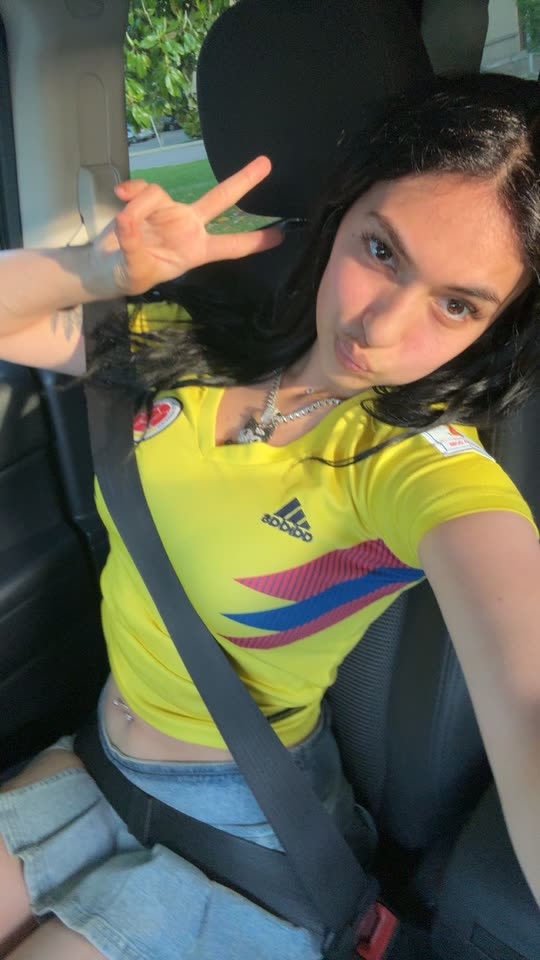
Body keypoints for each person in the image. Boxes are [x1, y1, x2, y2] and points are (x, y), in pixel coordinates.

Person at [0, 72, 539, 960]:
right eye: (382, 250)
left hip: (244, 829)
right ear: (342, 212)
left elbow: (526, 685)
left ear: (498, 325)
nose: (381, 327)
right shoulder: (198, 344)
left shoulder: (421, 468)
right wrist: (100, 273)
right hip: (95, 761)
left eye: (457, 305)